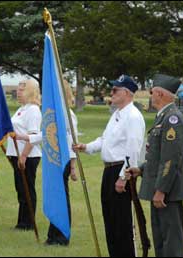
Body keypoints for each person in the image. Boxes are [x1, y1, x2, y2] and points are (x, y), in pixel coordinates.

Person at [73, 74, 145, 257]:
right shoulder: (117, 114)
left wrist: (124, 176)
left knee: (122, 222)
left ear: (127, 93)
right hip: (109, 170)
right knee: (110, 220)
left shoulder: (133, 116)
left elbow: (133, 149)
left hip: (122, 171)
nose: (111, 93)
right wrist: (86, 147)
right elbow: (105, 140)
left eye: (115, 90)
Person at [125, 74, 183, 257]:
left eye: (152, 92)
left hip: (167, 191)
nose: (150, 96)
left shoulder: (172, 119)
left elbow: (170, 159)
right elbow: (158, 157)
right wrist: (141, 170)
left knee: (171, 241)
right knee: (160, 238)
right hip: (160, 187)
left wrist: (161, 190)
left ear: (160, 94)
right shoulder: (163, 117)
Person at [16, 80, 77, 245]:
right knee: (54, 197)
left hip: (61, 160)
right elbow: (47, 133)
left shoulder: (67, 115)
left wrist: (72, 166)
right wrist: (28, 137)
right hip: (53, 160)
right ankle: (53, 234)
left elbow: (72, 141)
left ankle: (61, 236)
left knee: (61, 197)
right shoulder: (56, 113)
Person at [6, 79, 42, 230]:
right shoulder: (22, 108)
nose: (18, 93)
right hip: (16, 153)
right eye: (18, 89)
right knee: (20, 188)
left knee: (27, 188)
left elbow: (32, 136)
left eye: (21, 90)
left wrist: (23, 156)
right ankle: (22, 220)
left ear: (29, 91)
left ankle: (28, 222)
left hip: (28, 155)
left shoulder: (33, 109)